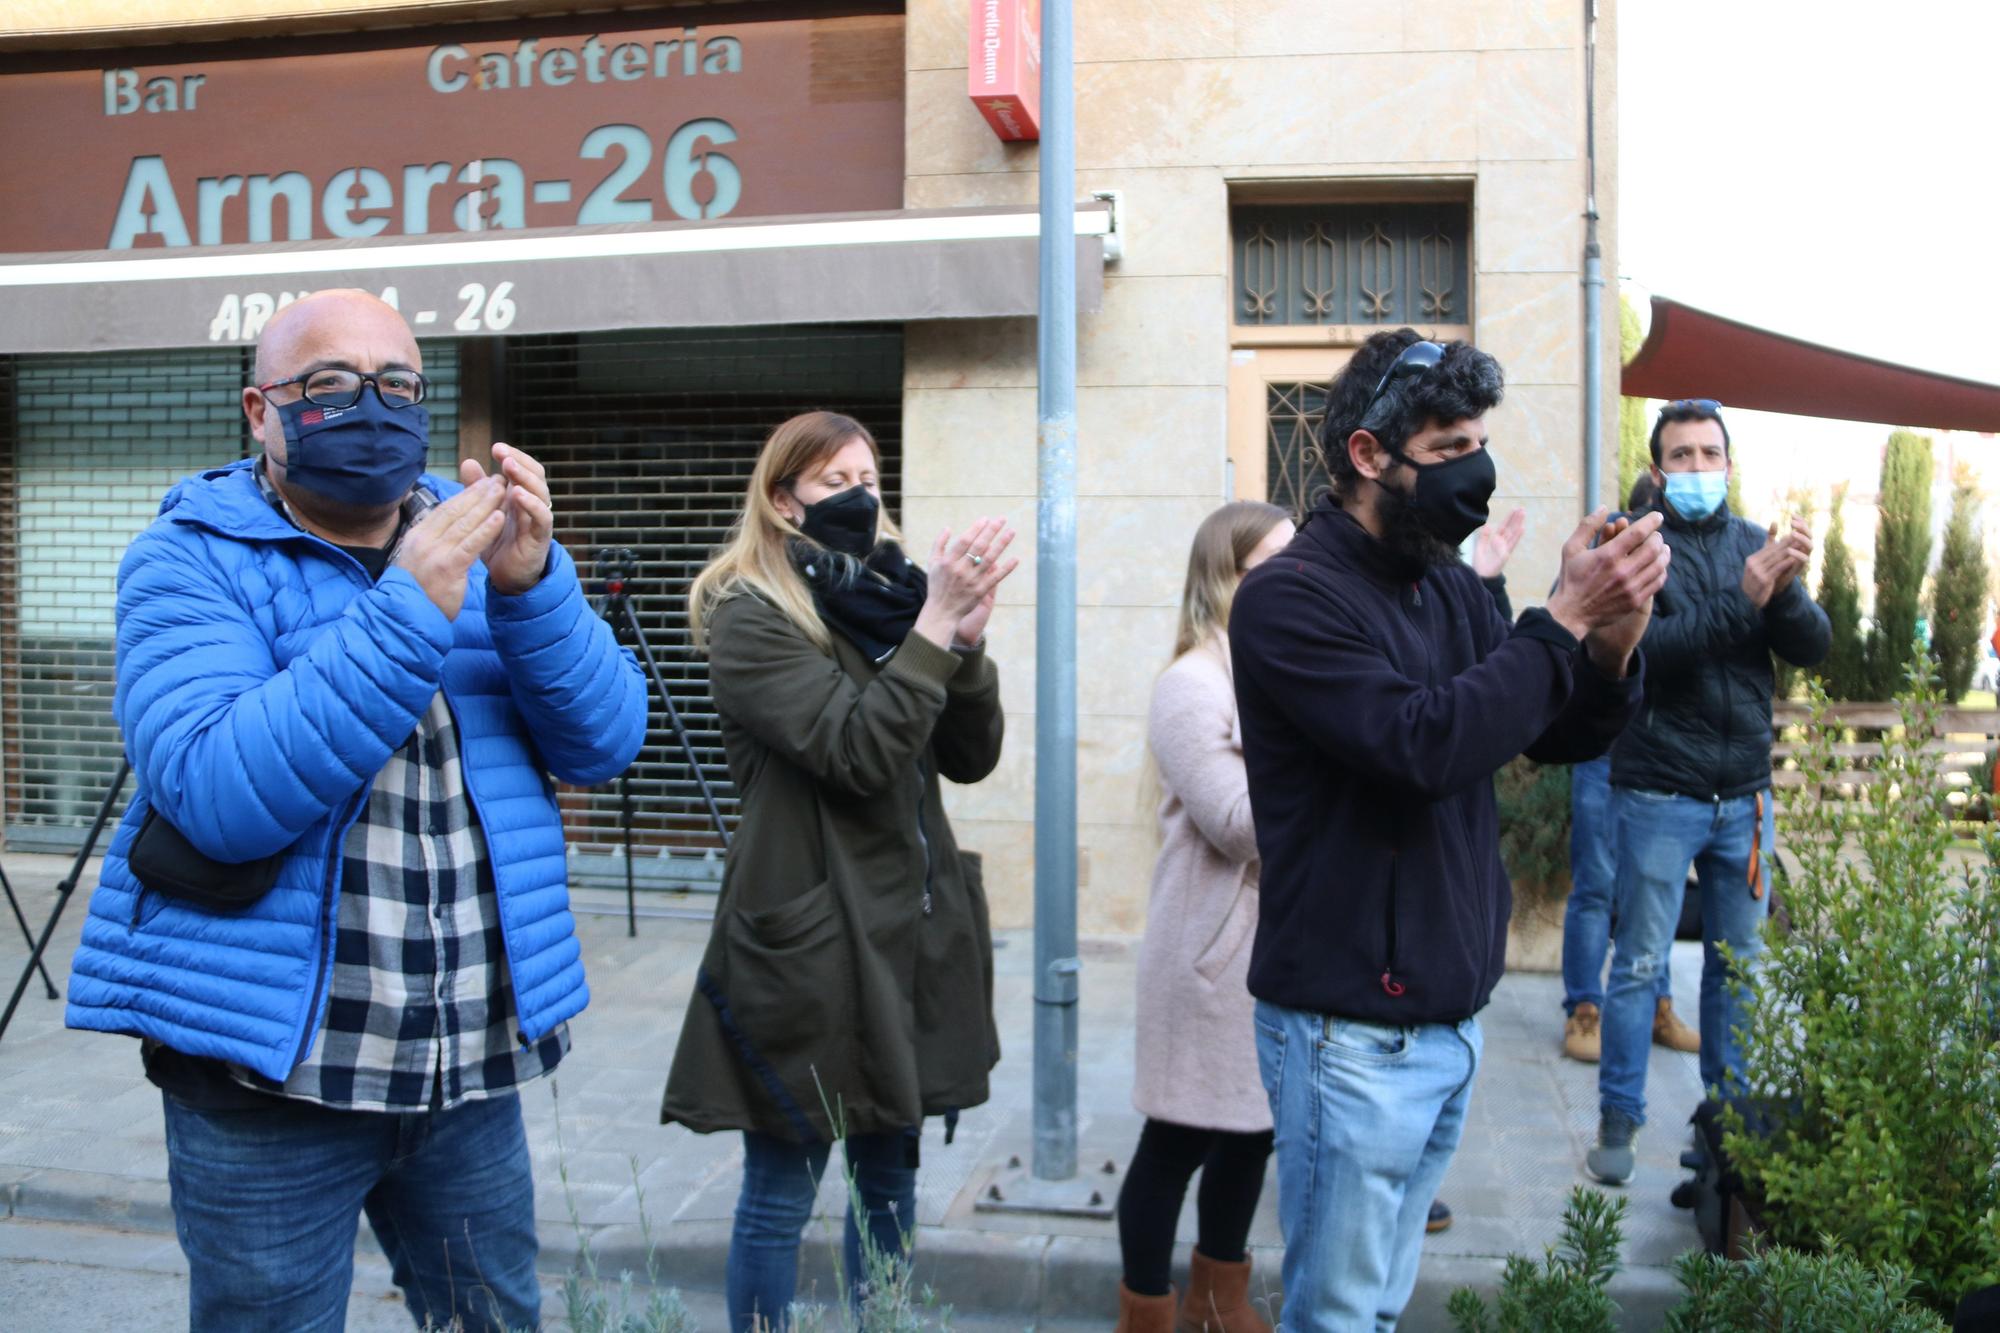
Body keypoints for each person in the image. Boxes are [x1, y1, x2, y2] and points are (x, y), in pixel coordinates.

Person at [63, 289, 648, 1331]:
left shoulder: (476, 537)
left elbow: (603, 742)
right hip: (272, 1080)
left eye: (398, 385)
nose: (371, 407)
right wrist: (410, 605)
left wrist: (533, 586)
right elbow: (218, 792)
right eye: (330, 385)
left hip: (465, 1063)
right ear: (261, 411)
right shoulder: (188, 557)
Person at [1230, 328, 1667, 1330]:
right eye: (1447, 450)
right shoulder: (1287, 597)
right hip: (1349, 1034)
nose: (1474, 469)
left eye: (1479, 444)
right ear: (1367, 454)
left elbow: (1547, 732)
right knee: (1337, 1315)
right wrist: (1558, 620)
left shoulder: (1448, 584)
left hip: (1447, 1023)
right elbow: (1420, 745)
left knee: (1380, 1308)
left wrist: (1609, 643)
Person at [659, 412, 1014, 1332]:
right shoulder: (751, 615)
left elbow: (970, 756)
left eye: (868, 477)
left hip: (905, 934)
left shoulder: (893, 597)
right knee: (782, 1189)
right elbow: (856, 752)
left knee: (889, 1186)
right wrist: (933, 629)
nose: (859, 496)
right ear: (783, 500)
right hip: (810, 942)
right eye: (833, 480)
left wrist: (964, 644)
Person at [1586, 399, 1830, 1187]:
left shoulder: (1752, 543)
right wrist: (1744, 598)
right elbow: (1646, 654)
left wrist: (1782, 589)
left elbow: (1814, 645)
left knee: (1739, 969)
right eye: (1681, 455)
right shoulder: (1633, 545)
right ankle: (1619, 1117)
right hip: (1660, 790)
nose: (1697, 467)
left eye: (1709, 454)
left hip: (1744, 796)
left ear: (1729, 463)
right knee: (1639, 963)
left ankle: (1726, 1131)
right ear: (1658, 470)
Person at [1116, 501, 1294, 1333]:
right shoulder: (1192, 683)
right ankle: (1146, 1314)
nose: (1298, 579)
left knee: (1250, 1135)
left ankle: (1218, 1302)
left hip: (1272, 951)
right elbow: (1239, 823)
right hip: (1209, 955)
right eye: (1276, 565)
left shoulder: (1275, 668)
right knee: (1176, 1142)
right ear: (1226, 576)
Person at [1560, 473, 1700, 1064]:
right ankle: (1584, 1008)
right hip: (1602, 752)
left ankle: (1656, 1003)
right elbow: (1566, 636)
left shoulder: (1691, 565)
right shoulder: (1600, 559)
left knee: (1653, 894)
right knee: (1595, 885)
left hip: (1659, 758)